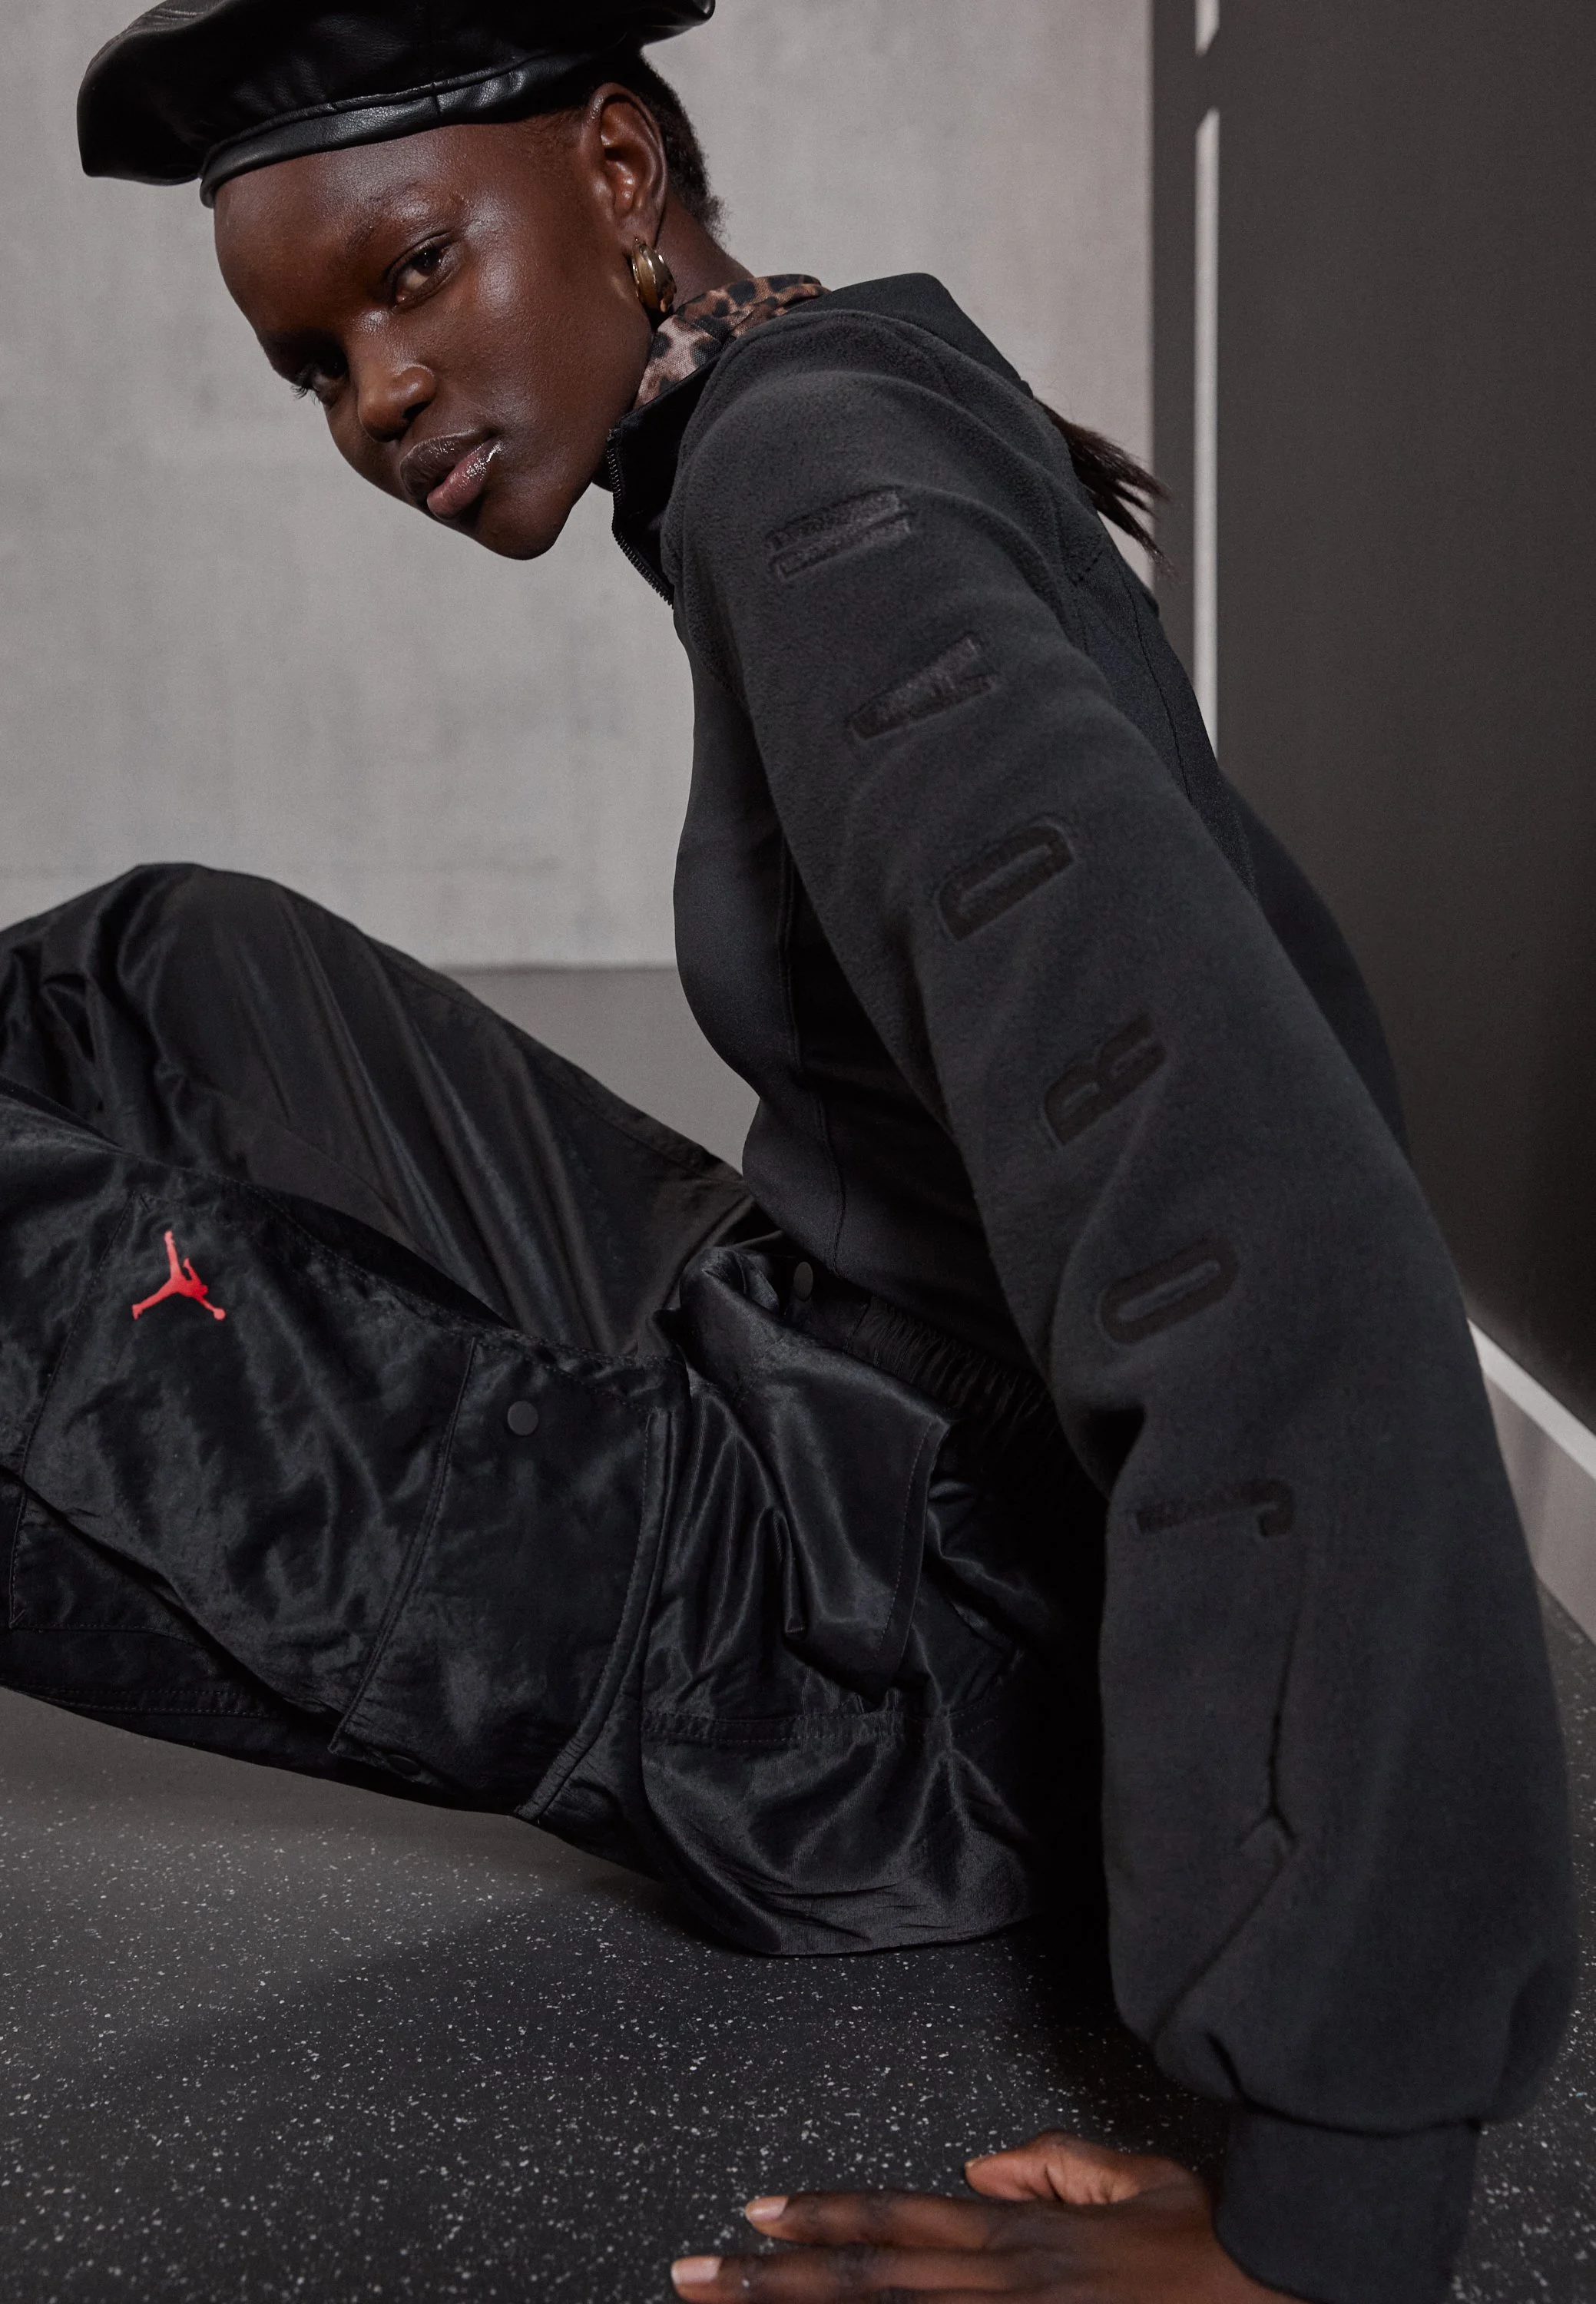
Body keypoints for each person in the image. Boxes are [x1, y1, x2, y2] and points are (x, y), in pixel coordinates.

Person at [2, 2, 1570, 2298]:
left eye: (412, 274)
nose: (378, 400)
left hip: (876, 1670)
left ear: (616, 171)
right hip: (844, 1384)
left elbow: (1264, 1241)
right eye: (312, 366)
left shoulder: (817, 512)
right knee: (166, 971)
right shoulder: (817, 380)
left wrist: (1330, 2212)